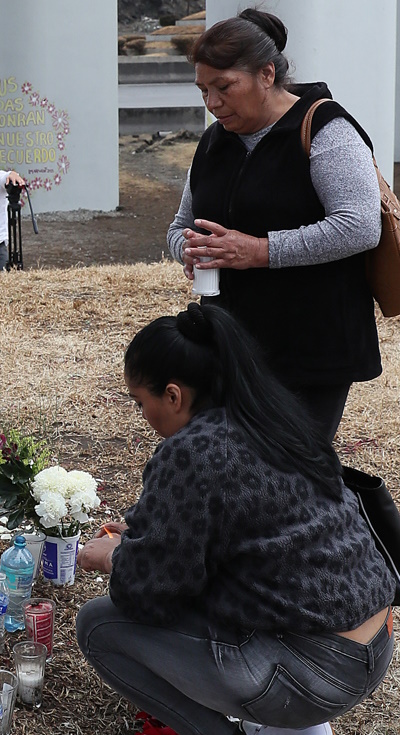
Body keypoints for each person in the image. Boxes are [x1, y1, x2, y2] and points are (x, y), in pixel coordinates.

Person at [76, 303, 394, 735]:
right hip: (375, 642)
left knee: (97, 625)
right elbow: (252, 533)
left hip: (316, 671)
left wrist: (113, 557)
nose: (142, 414)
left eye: (140, 402)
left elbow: (150, 595)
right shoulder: (274, 420)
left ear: (173, 395)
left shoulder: (194, 450)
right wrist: (149, 536)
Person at [167, 8, 381, 441]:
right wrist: (187, 248)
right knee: (229, 464)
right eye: (203, 90)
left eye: (224, 87)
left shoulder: (325, 128)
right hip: (228, 345)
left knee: (292, 468)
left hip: (312, 349)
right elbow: (180, 224)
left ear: (266, 74)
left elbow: (360, 225)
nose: (212, 103)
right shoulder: (213, 141)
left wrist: (259, 251)